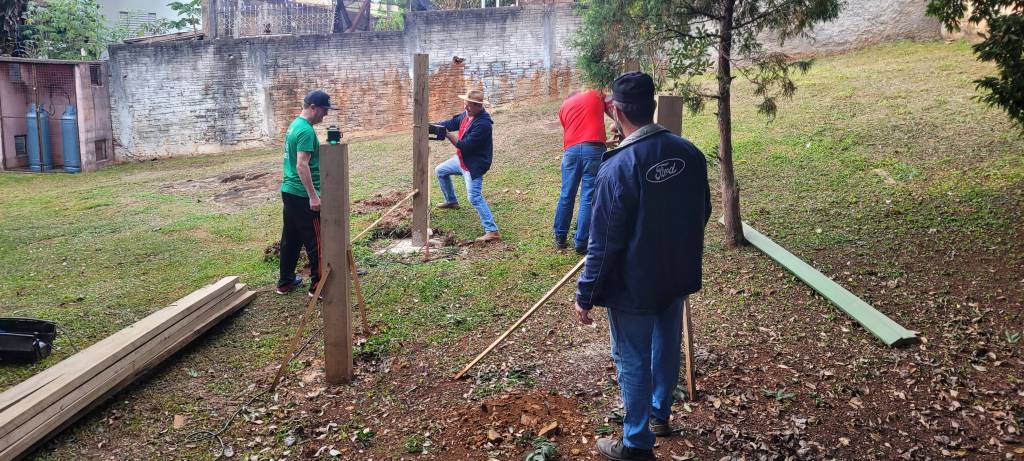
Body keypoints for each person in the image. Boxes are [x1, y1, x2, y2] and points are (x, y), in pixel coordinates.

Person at [573, 72, 712, 461]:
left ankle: (636, 444)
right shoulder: (689, 152)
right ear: (651, 106)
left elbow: (603, 243)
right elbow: (702, 211)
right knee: (666, 344)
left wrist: (586, 293)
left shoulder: (617, 167)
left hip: (633, 285)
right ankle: (659, 415)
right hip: (675, 275)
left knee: (632, 357)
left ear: (617, 112)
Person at [276, 90, 340, 296]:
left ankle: (285, 282)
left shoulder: (295, 125)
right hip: (303, 195)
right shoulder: (306, 131)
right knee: (317, 241)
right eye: (324, 109)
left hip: (290, 191)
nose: (326, 114)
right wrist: (313, 196)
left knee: (291, 238)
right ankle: (318, 287)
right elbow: (301, 165)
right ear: (313, 107)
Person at [433, 89, 500, 243]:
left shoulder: (483, 124)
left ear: (479, 106)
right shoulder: (466, 115)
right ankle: (452, 201)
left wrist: (447, 134)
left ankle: (492, 231)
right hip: (462, 160)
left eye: (469, 105)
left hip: (473, 164)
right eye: (465, 104)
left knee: (474, 197)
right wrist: (432, 125)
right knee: (440, 171)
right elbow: (449, 124)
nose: (466, 107)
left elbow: (464, 146)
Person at [553, 88, 612, 254]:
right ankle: (581, 241)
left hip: (571, 152)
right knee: (588, 196)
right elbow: (615, 110)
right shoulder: (595, 92)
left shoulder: (564, 106)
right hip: (593, 150)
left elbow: (574, 133)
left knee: (566, 193)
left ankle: (560, 236)